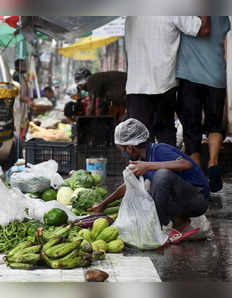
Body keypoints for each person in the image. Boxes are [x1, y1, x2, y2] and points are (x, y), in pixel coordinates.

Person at [89, 118, 210, 244]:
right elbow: (128, 185)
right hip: (183, 200)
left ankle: (162, 228)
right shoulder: (143, 159)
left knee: (162, 176)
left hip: (198, 199)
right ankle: (181, 225)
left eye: (123, 149)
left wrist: (148, 166)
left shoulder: (159, 150)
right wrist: (104, 204)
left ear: (130, 147)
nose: (123, 153)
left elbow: (186, 164)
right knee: (147, 193)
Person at [125, 16, 211, 146]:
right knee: (165, 136)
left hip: (136, 86)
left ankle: (140, 165)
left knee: (137, 141)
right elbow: (203, 29)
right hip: (164, 84)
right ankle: (164, 165)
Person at [176, 16, 230, 192]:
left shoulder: (187, 15)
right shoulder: (222, 18)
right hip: (216, 76)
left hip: (189, 76)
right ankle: (213, 162)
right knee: (214, 123)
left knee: (191, 127)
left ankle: (197, 173)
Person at [12, 58, 33, 141]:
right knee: (18, 127)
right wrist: (27, 100)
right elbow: (17, 94)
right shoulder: (16, 76)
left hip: (23, 108)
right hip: (17, 108)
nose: (25, 67)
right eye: (23, 65)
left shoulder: (22, 77)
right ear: (17, 66)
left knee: (22, 128)